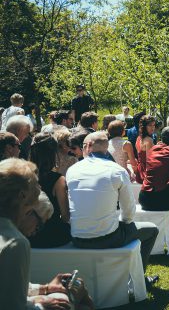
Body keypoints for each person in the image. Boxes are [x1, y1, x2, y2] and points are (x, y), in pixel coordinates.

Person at [66, 132, 159, 286]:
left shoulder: (72, 170)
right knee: (152, 230)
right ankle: (139, 280)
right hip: (107, 237)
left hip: (77, 237)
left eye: (82, 146)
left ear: (88, 146)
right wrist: (123, 223)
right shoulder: (117, 170)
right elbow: (128, 211)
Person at [0, 158, 93, 310]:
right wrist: (44, 303)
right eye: (35, 186)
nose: (39, 188)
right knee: (73, 299)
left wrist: (45, 289)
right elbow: (13, 306)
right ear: (22, 197)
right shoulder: (15, 243)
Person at [28, 133, 71, 248]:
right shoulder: (58, 180)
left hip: (29, 235)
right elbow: (65, 215)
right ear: (53, 154)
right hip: (53, 235)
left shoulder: (23, 177)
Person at [135, 115, 157, 183]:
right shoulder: (149, 140)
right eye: (150, 125)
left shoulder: (138, 138)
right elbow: (149, 160)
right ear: (144, 126)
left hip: (139, 170)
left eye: (153, 125)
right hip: (146, 172)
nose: (152, 128)